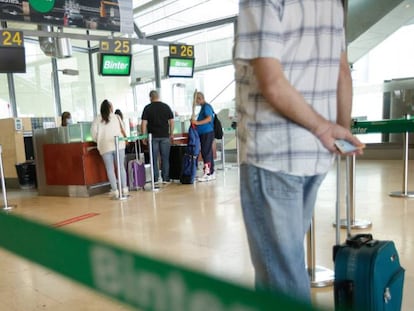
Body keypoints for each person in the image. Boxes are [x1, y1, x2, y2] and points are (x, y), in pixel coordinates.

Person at [233, 0, 364, 304]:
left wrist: (323, 128)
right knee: (281, 264)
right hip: (316, 156)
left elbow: (273, 83)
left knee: (281, 277)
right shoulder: (333, 3)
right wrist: (339, 129)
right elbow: (342, 71)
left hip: (273, 153)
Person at [91, 99, 128, 198]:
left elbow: (93, 134)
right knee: (120, 167)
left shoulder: (97, 119)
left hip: (105, 146)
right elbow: (123, 129)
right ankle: (124, 189)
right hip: (119, 145)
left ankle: (115, 190)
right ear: (110, 108)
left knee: (110, 169)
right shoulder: (116, 117)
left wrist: (99, 140)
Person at [141, 90, 174, 184]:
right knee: (165, 158)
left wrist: (144, 136)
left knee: (154, 158)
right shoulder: (166, 106)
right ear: (158, 96)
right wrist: (171, 133)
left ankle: (155, 179)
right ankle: (166, 178)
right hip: (165, 136)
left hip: (153, 137)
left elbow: (144, 123)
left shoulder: (147, 108)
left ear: (150, 97)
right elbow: (171, 121)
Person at [191, 92, 216, 182]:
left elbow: (209, 118)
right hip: (204, 133)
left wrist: (197, 123)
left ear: (199, 98)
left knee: (206, 152)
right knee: (207, 152)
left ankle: (208, 173)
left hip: (207, 132)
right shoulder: (203, 107)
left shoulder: (206, 107)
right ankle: (211, 172)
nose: (196, 102)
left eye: (196, 100)